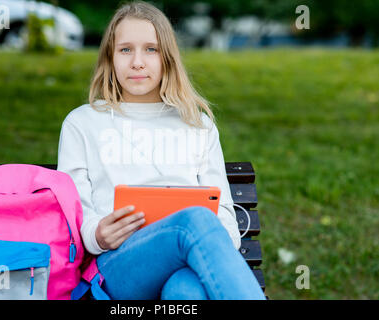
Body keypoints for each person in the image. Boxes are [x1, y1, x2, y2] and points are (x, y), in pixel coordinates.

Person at [57, 1, 265, 300]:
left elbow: (225, 220)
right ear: (110, 58)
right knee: (194, 220)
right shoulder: (83, 123)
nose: (137, 62)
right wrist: (97, 234)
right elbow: (74, 212)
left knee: (185, 290)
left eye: (151, 49)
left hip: (186, 261)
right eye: (125, 49)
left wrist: (203, 241)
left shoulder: (197, 124)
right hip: (117, 267)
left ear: (167, 57)